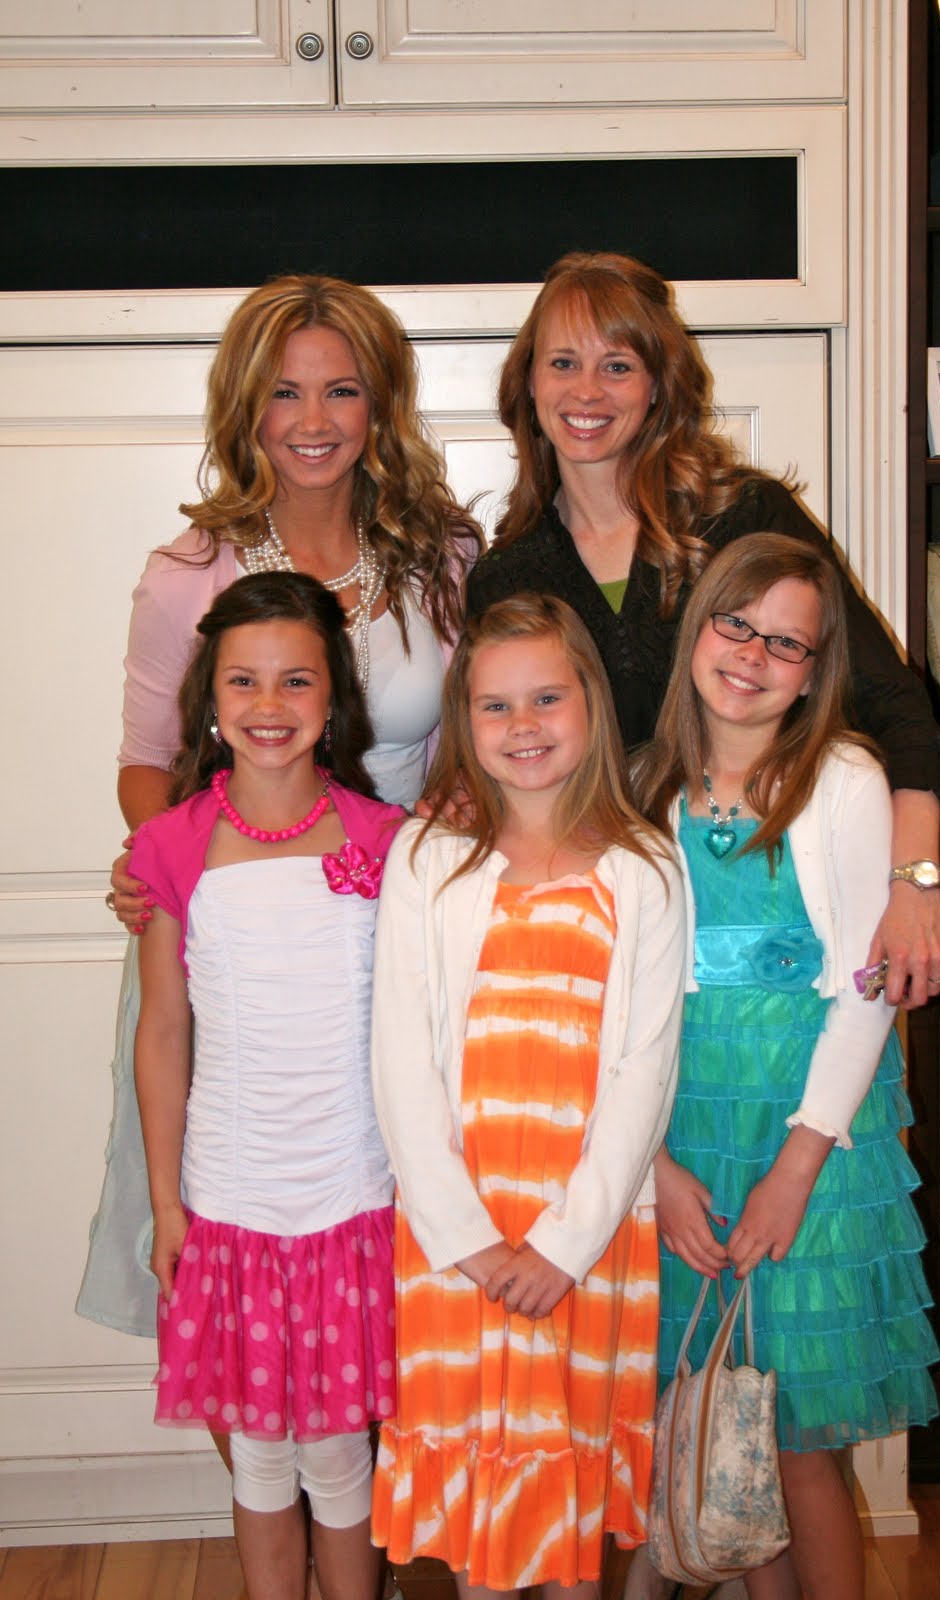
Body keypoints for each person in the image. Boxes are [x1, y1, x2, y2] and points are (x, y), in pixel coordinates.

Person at [78, 273, 482, 1341]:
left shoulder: (443, 560)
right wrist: (164, 865)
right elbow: (144, 762)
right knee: (229, 1221)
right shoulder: (187, 573)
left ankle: (378, 1454)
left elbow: (470, 744)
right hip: (238, 939)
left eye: (341, 390)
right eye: (284, 392)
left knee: (389, 1213)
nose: (313, 420)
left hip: (390, 927)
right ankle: (255, 1435)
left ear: (379, 405)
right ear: (244, 406)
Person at [465, 251, 940, 1009]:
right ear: (528, 382)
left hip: (777, 914)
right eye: (562, 362)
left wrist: (915, 881)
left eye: (617, 366)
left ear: (659, 386)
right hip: (612, 932)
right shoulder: (506, 578)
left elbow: (890, 701)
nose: (586, 391)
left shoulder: (744, 519)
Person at [633, 534, 939, 1600]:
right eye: (735, 624)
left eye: (785, 643)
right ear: (696, 629)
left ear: (813, 671)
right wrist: (651, 1169)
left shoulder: (842, 780)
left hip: (812, 1133)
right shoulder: (643, 784)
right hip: (685, 1132)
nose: (753, 655)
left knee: (799, 1438)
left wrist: (794, 1169)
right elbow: (623, 1004)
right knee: (719, 1412)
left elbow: (864, 991)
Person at [369, 594, 687, 1597]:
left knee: (565, 1518)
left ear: (591, 700)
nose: (523, 726)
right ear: (462, 721)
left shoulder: (644, 868)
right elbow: (399, 1059)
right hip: (455, 1232)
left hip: (585, 1236)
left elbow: (644, 1069)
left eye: (547, 697)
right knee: (486, 1526)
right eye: (495, 705)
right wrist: (463, 1235)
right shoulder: (427, 857)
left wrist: (564, 1242)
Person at [130, 571, 405, 1600]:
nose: (269, 704)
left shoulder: (386, 841)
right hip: (231, 1201)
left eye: (296, 680)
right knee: (256, 1454)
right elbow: (164, 1032)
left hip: (351, 1196)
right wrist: (168, 1204)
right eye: (243, 681)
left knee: (338, 1452)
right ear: (208, 696)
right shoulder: (169, 845)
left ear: (335, 696)